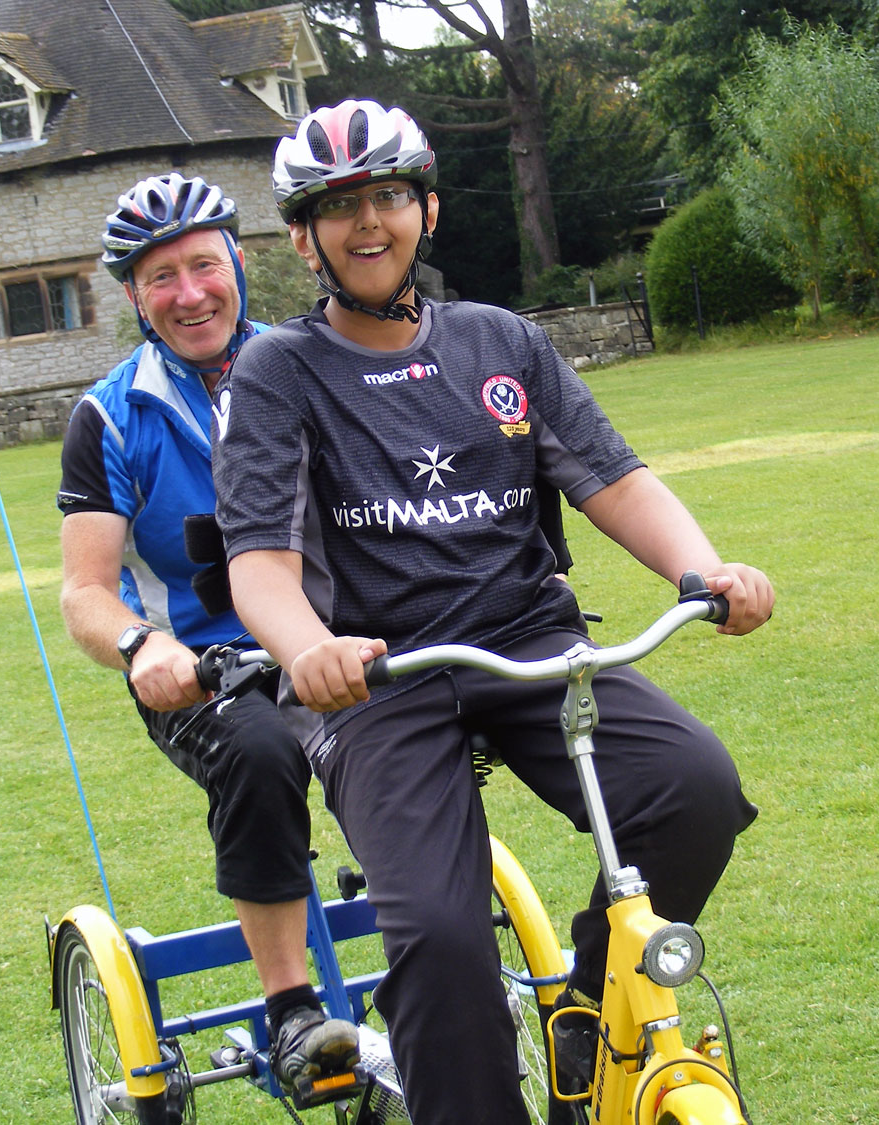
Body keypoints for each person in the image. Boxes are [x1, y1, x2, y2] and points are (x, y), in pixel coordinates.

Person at [213, 100, 775, 1125]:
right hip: (378, 679)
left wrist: (706, 571)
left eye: (387, 196)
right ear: (304, 237)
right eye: (338, 207)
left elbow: (616, 482)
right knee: (438, 935)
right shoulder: (278, 372)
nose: (368, 222)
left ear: (426, 209)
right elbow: (259, 562)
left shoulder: (502, 341)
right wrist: (309, 652)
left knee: (693, 787)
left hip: (532, 646)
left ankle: (592, 1006)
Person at [56, 171, 358, 1092]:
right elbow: (85, 591)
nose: (189, 294)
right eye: (160, 277)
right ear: (132, 297)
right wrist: (145, 647)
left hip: (332, 644)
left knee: (418, 740)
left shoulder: (318, 362)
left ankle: (437, 945)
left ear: (239, 262)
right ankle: (293, 1012)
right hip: (204, 675)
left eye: (202, 265)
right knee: (262, 753)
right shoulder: (110, 415)